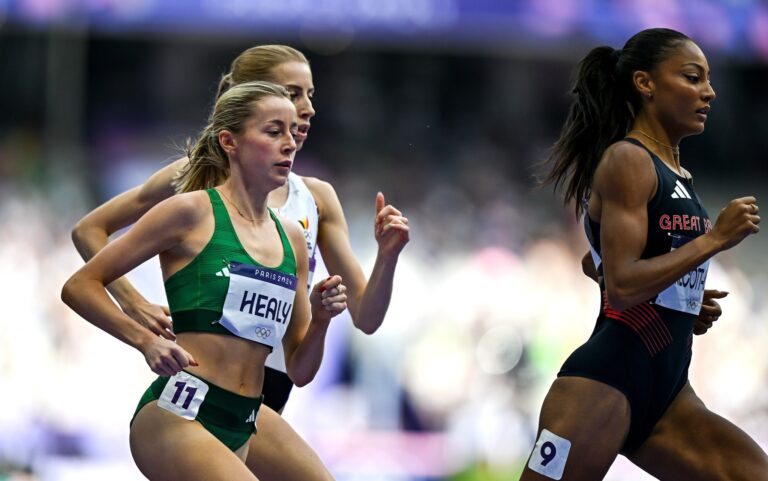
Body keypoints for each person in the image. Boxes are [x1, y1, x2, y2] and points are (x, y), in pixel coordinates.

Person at [71, 45, 409, 480]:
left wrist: (385, 259)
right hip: (194, 391)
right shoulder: (196, 187)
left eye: (309, 96)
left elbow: (364, 317)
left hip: (259, 402)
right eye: (291, 94)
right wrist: (134, 307)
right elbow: (89, 234)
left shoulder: (308, 207)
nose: (305, 109)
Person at [522, 28, 768, 480]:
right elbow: (622, 282)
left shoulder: (676, 171)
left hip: (669, 396)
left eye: (709, 80)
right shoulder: (628, 160)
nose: (709, 92)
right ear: (645, 83)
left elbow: (593, 262)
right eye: (693, 78)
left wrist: (680, 299)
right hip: (604, 383)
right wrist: (714, 240)